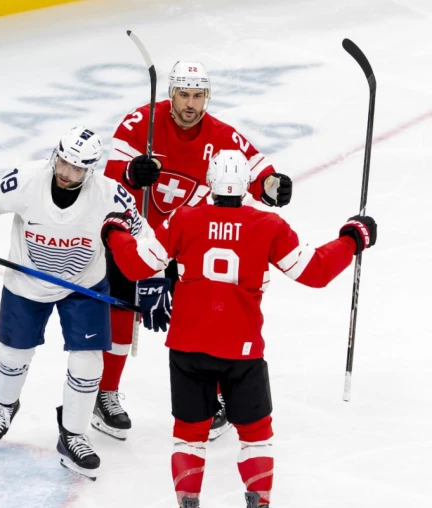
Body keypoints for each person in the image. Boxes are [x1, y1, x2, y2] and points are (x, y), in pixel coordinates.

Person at [100, 149, 377, 508]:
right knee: (256, 435)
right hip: (242, 350)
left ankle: (188, 500)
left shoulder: (184, 219)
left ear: (210, 184)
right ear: (247, 185)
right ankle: (259, 500)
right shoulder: (268, 226)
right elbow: (316, 271)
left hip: (188, 346)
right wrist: (354, 238)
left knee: (188, 436)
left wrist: (114, 232)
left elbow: (137, 265)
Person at [0, 126, 162, 476]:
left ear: (90, 170)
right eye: (62, 162)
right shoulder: (26, 180)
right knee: (13, 355)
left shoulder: (110, 196)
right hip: (26, 282)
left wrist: (154, 279)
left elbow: (142, 236)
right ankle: (3, 406)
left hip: (84, 286)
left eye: (75, 168)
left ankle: (73, 434)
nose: (65, 172)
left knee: (88, 364)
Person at [97, 60, 296, 440]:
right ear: (171, 94)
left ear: (208, 96)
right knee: (121, 313)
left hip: (184, 242)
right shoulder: (142, 123)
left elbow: (256, 173)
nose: (190, 104)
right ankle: (105, 393)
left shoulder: (221, 134)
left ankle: (215, 397)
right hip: (137, 234)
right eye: (183, 95)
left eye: (198, 95)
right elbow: (110, 181)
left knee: (204, 320)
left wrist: (273, 187)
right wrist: (130, 174)